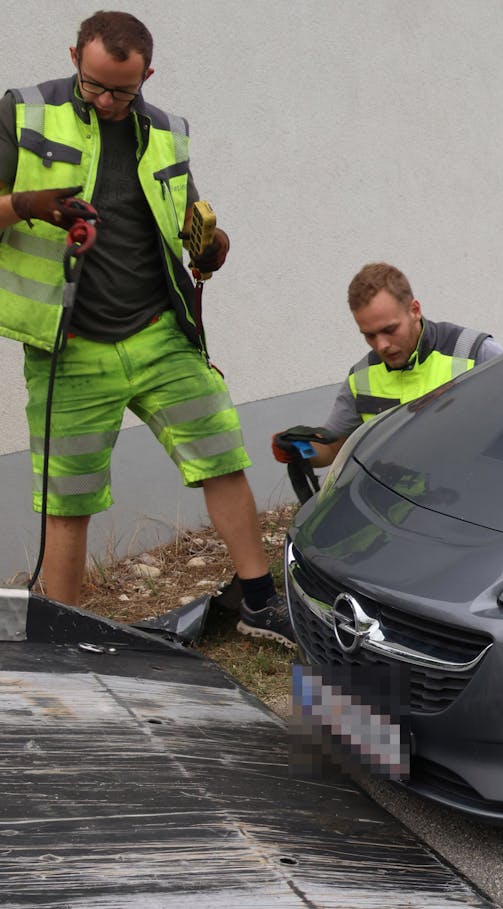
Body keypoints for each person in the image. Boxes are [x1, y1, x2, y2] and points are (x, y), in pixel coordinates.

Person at [1, 12, 294, 647]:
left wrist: (211, 246)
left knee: (222, 456)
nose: (105, 101)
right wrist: (26, 205)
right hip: (69, 345)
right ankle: (66, 640)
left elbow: (195, 224)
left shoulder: (165, 131)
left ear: (147, 77)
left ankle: (259, 603)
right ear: (75, 56)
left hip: (160, 332)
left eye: (121, 91)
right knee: (68, 500)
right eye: (94, 85)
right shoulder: (23, 112)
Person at [272, 262, 503, 468]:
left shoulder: (475, 352)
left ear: (414, 310)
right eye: (369, 335)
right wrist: (298, 448)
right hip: (397, 507)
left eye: (389, 330)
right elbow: (333, 450)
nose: (381, 345)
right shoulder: (361, 378)